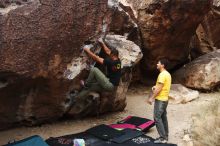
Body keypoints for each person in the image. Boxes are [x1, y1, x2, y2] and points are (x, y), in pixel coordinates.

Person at [71, 39, 121, 103]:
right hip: (111, 87)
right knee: (90, 87)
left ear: (113, 55)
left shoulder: (111, 62)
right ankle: (76, 100)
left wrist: (87, 50)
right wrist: (102, 42)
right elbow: (108, 51)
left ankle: (86, 84)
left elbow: (96, 58)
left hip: (109, 84)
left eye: (110, 55)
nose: (109, 55)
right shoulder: (118, 61)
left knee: (94, 70)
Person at [147, 59, 172, 144]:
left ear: (163, 65)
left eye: (158, 63)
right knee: (163, 118)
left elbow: (159, 89)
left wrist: (151, 98)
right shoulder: (167, 74)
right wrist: (155, 87)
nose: (157, 64)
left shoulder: (162, 75)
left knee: (157, 118)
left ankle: (163, 138)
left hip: (160, 100)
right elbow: (161, 86)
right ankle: (166, 135)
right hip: (165, 99)